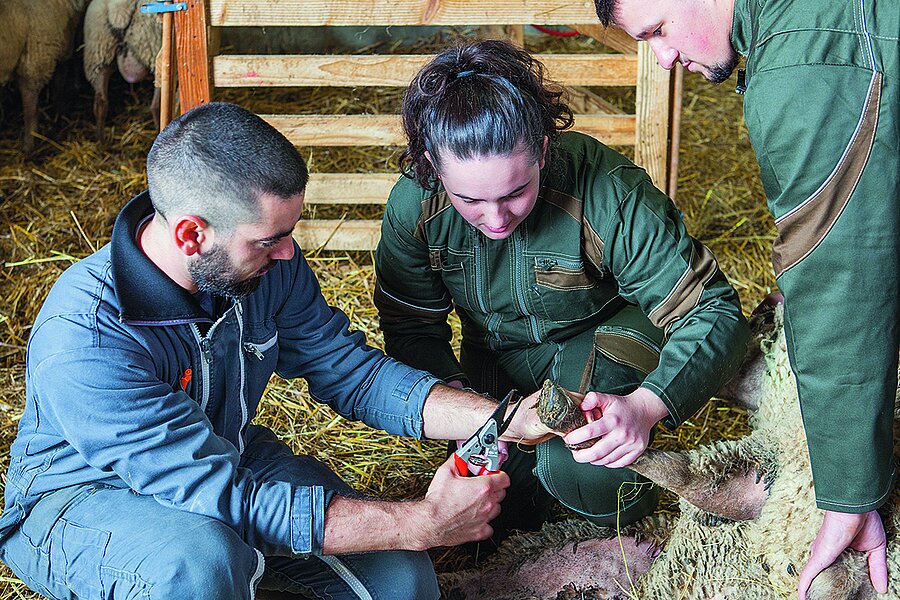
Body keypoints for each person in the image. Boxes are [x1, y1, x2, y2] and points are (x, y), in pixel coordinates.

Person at [0, 102, 555, 600]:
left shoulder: (258, 268)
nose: (289, 254)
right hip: (86, 499)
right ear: (192, 235)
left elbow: (348, 371)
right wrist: (421, 523)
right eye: (269, 239)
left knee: (402, 580)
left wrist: (505, 420)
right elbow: (226, 494)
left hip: (222, 454)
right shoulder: (90, 337)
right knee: (199, 563)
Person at [373, 40, 750, 548]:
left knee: (584, 463)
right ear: (433, 166)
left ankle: (637, 540)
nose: (495, 218)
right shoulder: (413, 207)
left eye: (514, 193)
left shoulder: (607, 191)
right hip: (495, 356)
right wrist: (458, 407)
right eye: (469, 199)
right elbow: (412, 328)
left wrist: (646, 405)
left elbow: (714, 310)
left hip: (606, 333)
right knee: (494, 508)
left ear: (544, 149)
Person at [591, 0, 899, 596]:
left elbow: (840, 282)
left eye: (658, 30)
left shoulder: (801, 67)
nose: (664, 57)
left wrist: (845, 494)